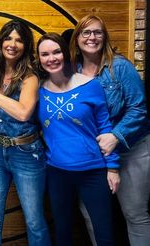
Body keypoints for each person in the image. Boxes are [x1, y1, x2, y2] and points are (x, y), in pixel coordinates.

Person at [0, 19, 50, 246]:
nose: (12, 44)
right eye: (8, 38)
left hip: (26, 152)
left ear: (26, 46)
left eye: (19, 40)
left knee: (34, 222)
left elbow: (23, 113)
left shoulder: (30, 77)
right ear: (1, 42)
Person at [70, 14, 150, 246]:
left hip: (131, 149)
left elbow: (139, 108)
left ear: (105, 37)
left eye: (98, 32)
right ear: (77, 38)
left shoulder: (120, 67)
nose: (92, 37)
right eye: (86, 32)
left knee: (135, 214)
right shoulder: (70, 71)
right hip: (93, 155)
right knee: (91, 214)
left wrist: (116, 136)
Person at [36, 32, 120, 246]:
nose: (51, 58)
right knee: (63, 233)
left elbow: (105, 127)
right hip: (57, 172)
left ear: (65, 53)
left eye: (56, 52)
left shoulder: (90, 85)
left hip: (92, 171)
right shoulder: (40, 92)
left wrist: (113, 167)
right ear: (39, 59)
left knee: (104, 233)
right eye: (45, 54)